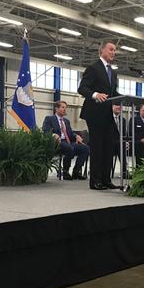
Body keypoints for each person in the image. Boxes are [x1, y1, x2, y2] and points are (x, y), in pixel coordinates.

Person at [77, 41, 118, 190]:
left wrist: (122, 100)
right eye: (111, 49)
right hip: (94, 113)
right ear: (102, 51)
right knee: (97, 147)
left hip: (107, 114)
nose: (113, 52)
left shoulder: (113, 72)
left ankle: (106, 180)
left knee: (108, 147)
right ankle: (95, 181)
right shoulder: (93, 68)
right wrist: (95, 94)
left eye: (115, 50)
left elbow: (113, 93)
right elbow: (82, 88)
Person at [42, 101, 88, 180]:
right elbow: (45, 131)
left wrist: (76, 136)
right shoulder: (49, 119)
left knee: (85, 148)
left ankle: (76, 171)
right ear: (56, 108)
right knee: (69, 148)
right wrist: (53, 135)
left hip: (68, 142)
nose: (65, 109)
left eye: (65, 108)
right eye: (63, 107)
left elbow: (70, 134)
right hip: (57, 142)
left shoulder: (66, 121)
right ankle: (65, 172)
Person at [111, 104, 128, 178]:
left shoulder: (123, 120)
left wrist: (126, 141)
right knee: (121, 145)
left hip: (119, 144)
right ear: (112, 107)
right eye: (116, 105)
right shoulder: (108, 118)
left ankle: (124, 171)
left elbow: (124, 134)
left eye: (120, 106)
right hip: (109, 143)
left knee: (123, 145)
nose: (118, 107)